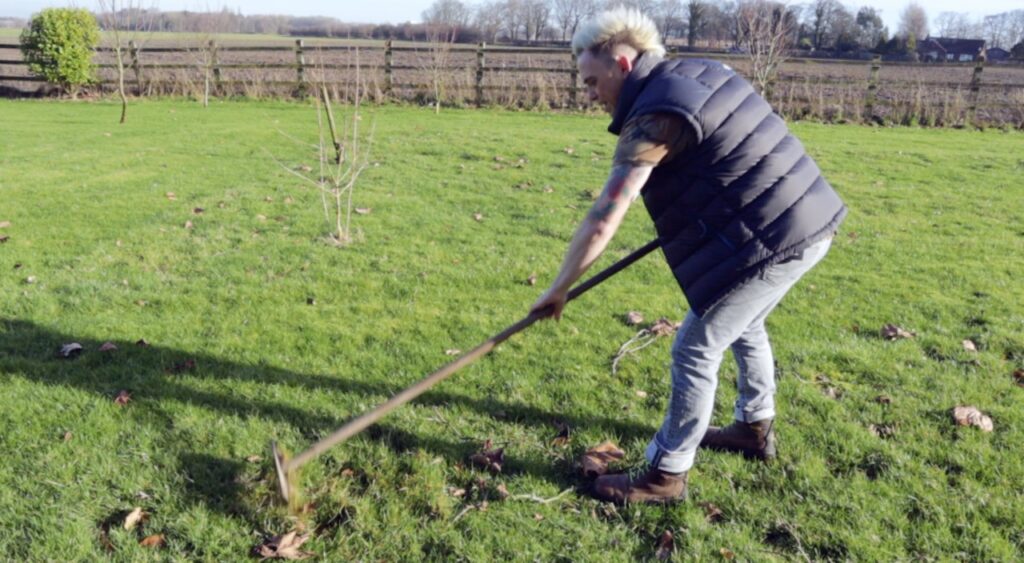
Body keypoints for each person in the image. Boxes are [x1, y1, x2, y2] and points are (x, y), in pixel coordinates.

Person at [530, 8, 847, 504]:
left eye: (593, 82)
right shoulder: (698, 71)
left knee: (695, 346)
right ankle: (752, 428)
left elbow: (605, 215)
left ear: (622, 62)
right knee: (743, 324)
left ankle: (665, 474)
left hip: (774, 235)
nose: (591, 95)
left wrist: (559, 288)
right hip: (804, 217)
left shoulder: (655, 116)